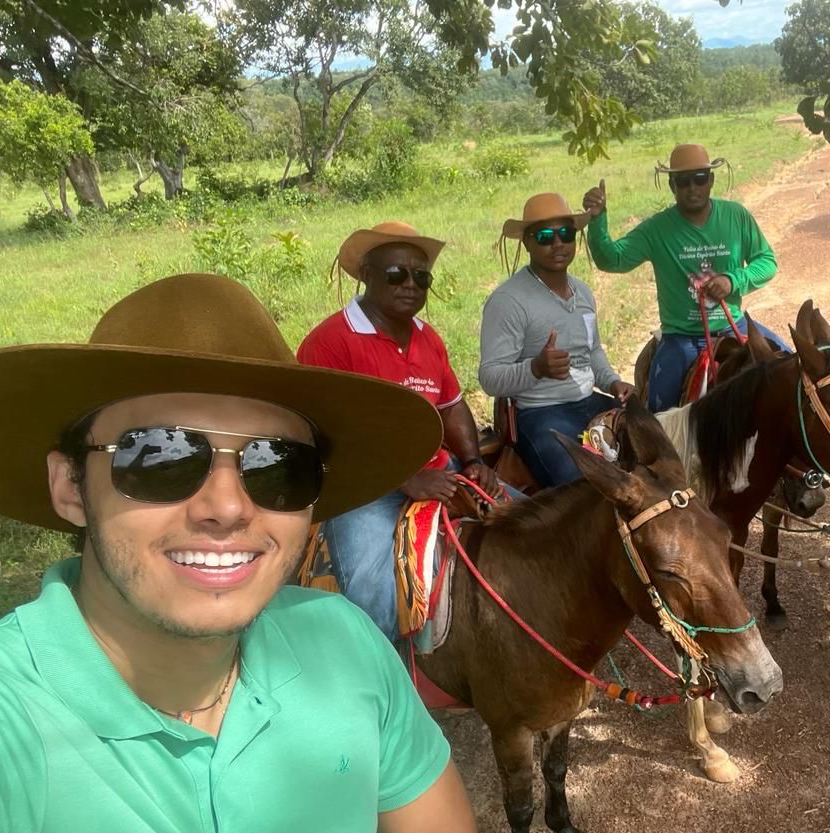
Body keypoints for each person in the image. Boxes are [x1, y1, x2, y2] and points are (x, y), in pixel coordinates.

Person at [0, 273, 512, 833]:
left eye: (276, 465)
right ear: (71, 486)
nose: (228, 506)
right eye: (159, 455)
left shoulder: (340, 639)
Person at [298, 221, 502, 643]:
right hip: (360, 485)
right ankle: (383, 685)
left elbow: (451, 406)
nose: (410, 284)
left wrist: (474, 461)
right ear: (366, 275)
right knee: (373, 591)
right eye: (396, 275)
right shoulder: (331, 341)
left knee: (531, 523)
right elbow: (325, 433)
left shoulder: (429, 339)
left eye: (420, 276)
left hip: (437, 470)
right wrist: (407, 479)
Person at [583, 143, 784, 412]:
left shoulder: (736, 216)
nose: (692, 188)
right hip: (682, 338)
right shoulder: (657, 229)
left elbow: (767, 262)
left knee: (791, 369)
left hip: (733, 325)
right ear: (672, 185)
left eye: (700, 179)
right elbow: (612, 260)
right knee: (660, 417)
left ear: (711, 180)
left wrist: (733, 280)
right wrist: (598, 220)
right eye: (683, 181)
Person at [479, 192, 635, 487]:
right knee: (581, 487)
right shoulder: (508, 301)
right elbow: (489, 378)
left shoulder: (583, 293)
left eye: (566, 233)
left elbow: (593, 352)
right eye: (545, 236)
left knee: (657, 452)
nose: (558, 243)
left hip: (589, 402)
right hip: (540, 413)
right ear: (527, 242)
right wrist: (536, 368)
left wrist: (613, 383)